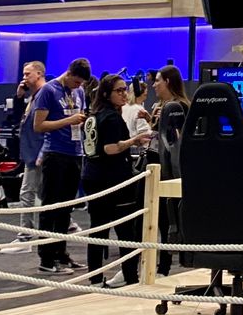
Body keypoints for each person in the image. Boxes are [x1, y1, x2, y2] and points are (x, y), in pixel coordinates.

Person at [82, 75, 149, 286]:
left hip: (93, 176)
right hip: (112, 179)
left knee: (98, 229)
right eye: (118, 91)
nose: (123, 94)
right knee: (125, 230)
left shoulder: (95, 116)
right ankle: (130, 277)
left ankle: (95, 277)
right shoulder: (111, 118)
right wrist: (134, 140)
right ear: (106, 94)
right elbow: (110, 148)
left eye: (124, 90)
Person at [32, 58, 90, 274]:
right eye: (76, 82)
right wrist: (68, 121)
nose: (78, 86)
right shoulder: (49, 90)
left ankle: (61, 252)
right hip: (55, 153)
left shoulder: (79, 92)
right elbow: (39, 125)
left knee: (66, 208)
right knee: (51, 207)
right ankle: (46, 257)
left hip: (75, 152)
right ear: (68, 73)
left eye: (81, 84)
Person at [153, 65, 190, 271]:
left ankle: (165, 267)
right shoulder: (165, 106)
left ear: (167, 81)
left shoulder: (179, 107)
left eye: (158, 80)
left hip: (173, 172)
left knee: (170, 218)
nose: (154, 85)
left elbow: (176, 143)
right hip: (166, 170)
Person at [11, 60, 47, 239]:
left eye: (28, 74)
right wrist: (19, 97)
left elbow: (47, 126)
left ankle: (25, 233)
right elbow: (19, 118)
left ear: (39, 74)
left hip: (39, 151)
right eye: (24, 74)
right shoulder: (33, 97)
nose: (24, 77)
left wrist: (42, 152)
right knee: (42, 192)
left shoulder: (45, 94)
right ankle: (69, 224)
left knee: (27, 193)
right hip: (31, 151)